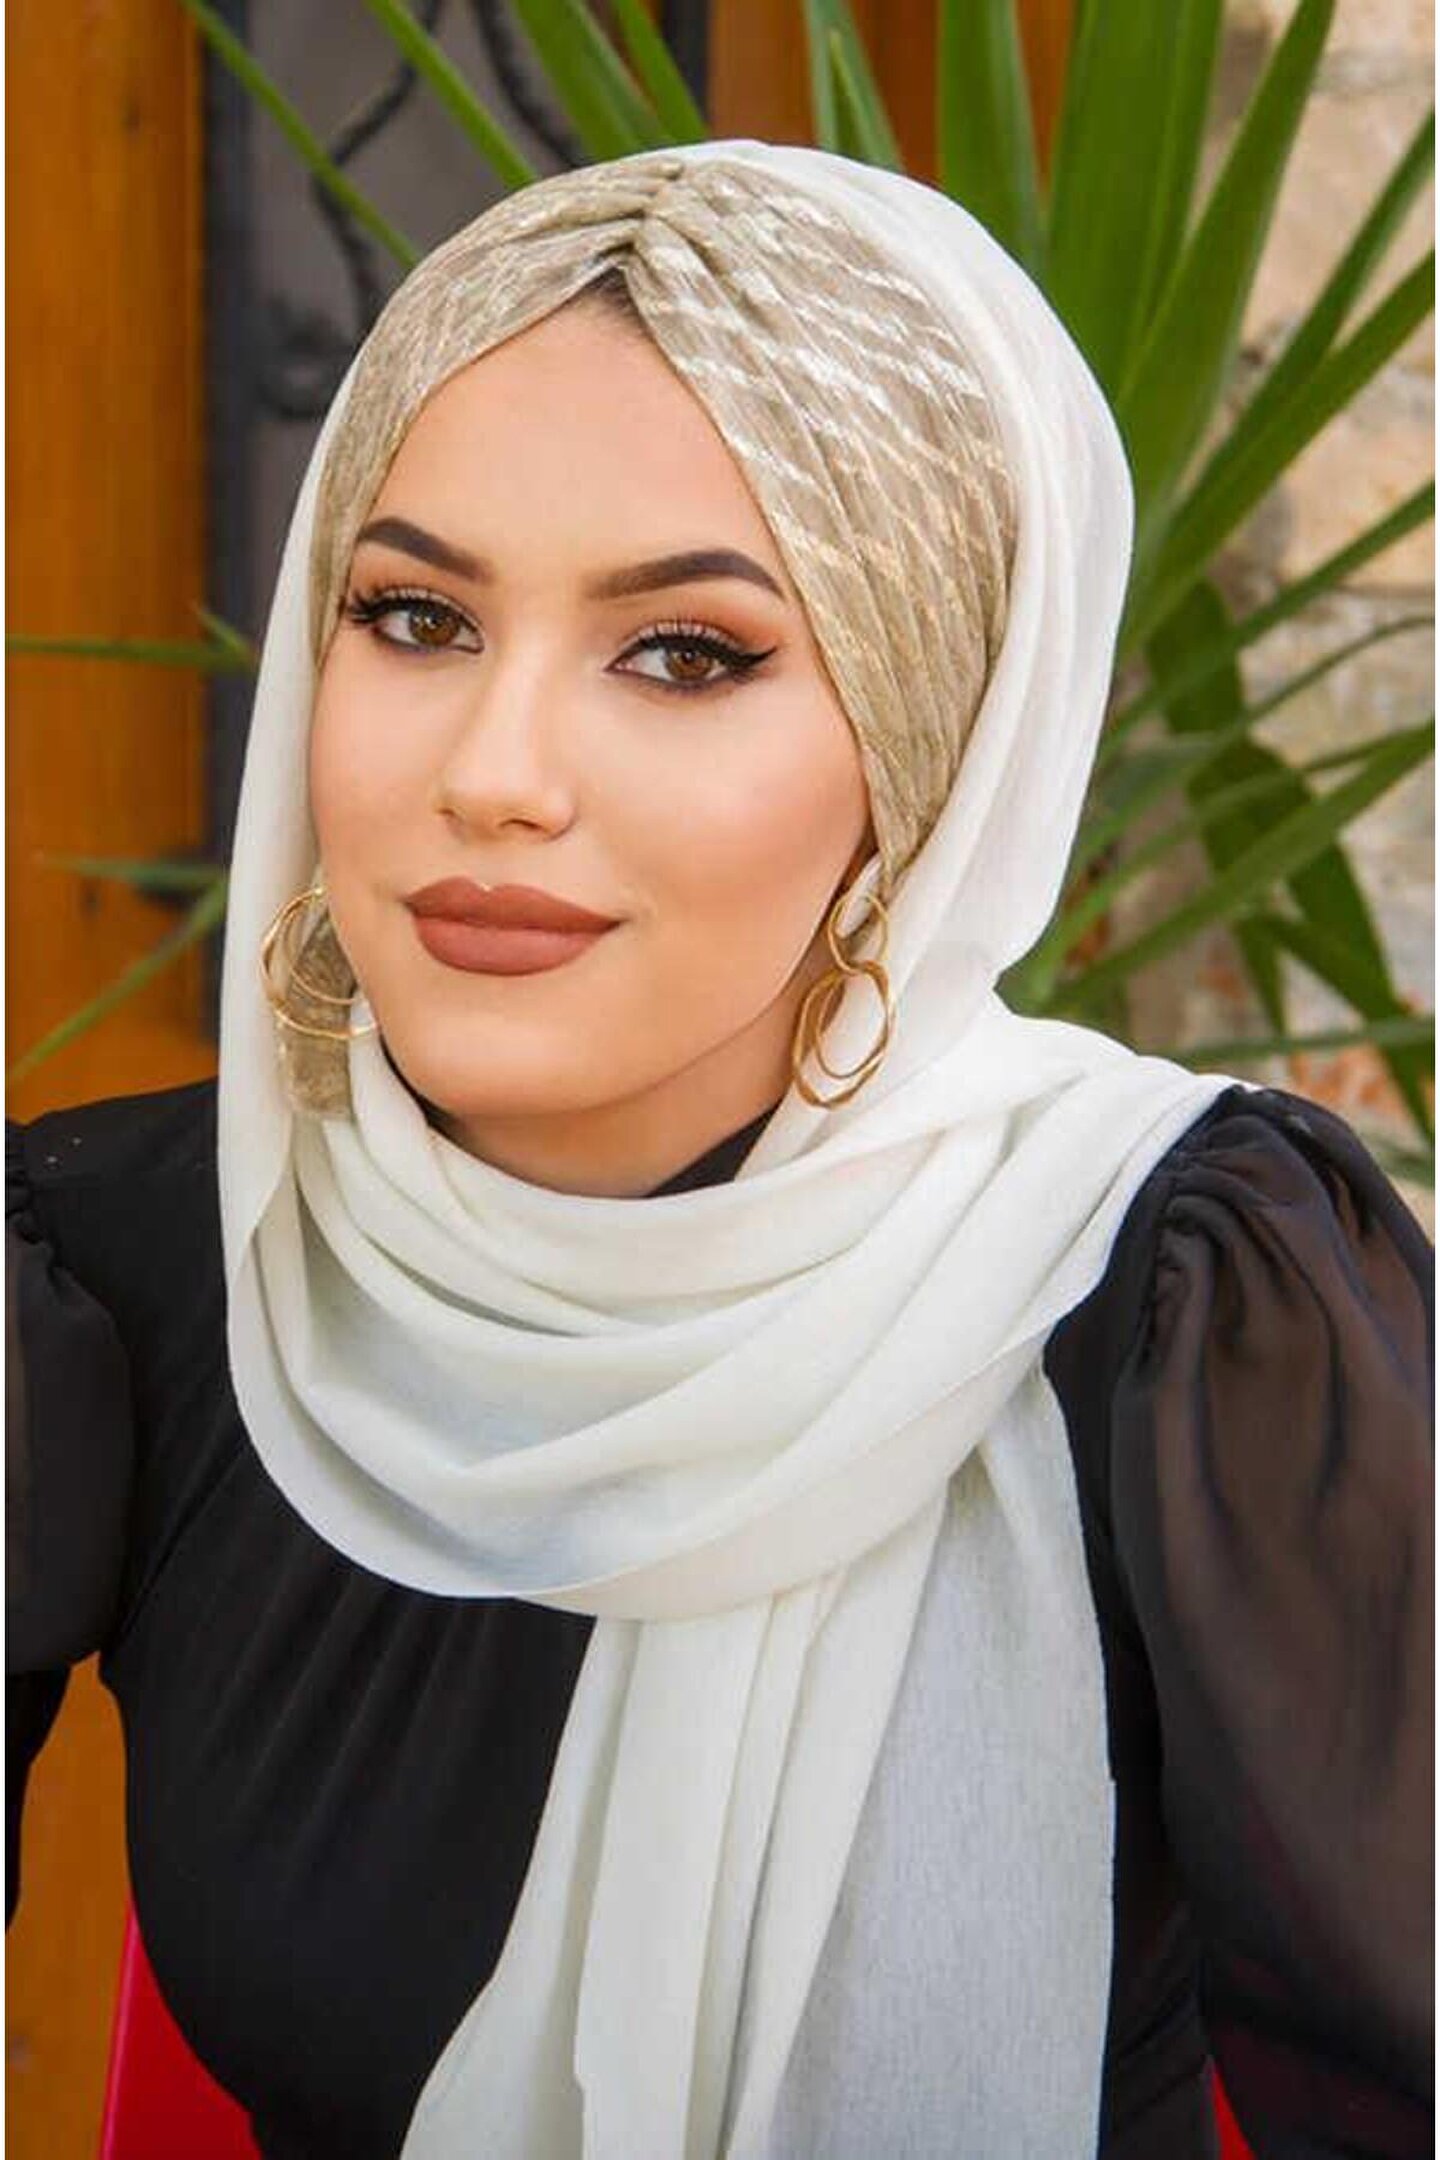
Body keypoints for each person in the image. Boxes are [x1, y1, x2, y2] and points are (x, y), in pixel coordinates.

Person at [6, 139, 1431, 2160]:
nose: (493, 775)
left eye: (685, 653)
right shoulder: (122, 1269)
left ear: (924, 750)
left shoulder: (1194, 1307)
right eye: (414, 616)